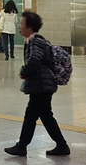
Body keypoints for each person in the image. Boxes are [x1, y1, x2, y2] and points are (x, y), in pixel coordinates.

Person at [4, 10, 69, 157]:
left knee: (31, 115)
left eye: (22, 24)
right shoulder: (33, 41)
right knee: (45, 115)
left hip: (41, 85)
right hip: (43, 84)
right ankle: (62, 145)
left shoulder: (35, 41)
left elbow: (35, 60)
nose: (20, 26)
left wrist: (24, 71)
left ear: (30, 27)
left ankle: (22, 146)